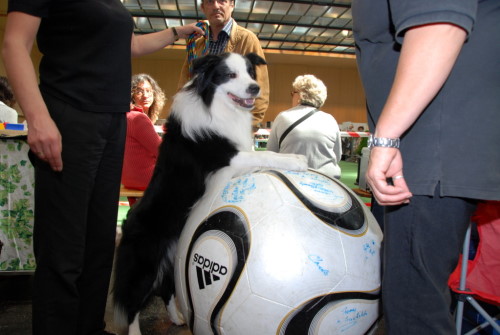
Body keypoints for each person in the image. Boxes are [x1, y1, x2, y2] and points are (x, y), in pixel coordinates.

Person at [1, 2, 203, 334]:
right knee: (64, 249)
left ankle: (90, 327)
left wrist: (175, 33)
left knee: (98, 246)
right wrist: (37, 118)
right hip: (70, 114)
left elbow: (129, 45)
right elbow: (14, 44)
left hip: (111, 123)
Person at [352, 0, 500, 334]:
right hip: (429, 147)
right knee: (417, 300)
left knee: (414, 310)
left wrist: (386, 138)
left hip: (430, 146)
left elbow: (440, 24)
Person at [177, 0, 269, 127]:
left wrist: (248, 127)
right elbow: (184, 86)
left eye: (222, 1)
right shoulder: (197, 45)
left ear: (232, 5)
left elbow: (260, 88)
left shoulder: (247, 40)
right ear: (203, 7)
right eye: (210, 2)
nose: (215, 6)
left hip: (233, 128)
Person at [266, 75, 342, 179]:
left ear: (299, 95)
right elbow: (337, 155)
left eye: (293, 93)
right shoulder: (330, 119)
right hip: (327, 180)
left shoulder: (283, 117)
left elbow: (271, 153)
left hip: (292, 180)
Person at [122, 74, 164, 205]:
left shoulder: (126, 116)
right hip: (146, 178)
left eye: (149, 91)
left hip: (129, 178)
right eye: (139, 91)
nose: (145, 95)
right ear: (131, 95)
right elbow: (162, 151)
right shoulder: (137, 118)